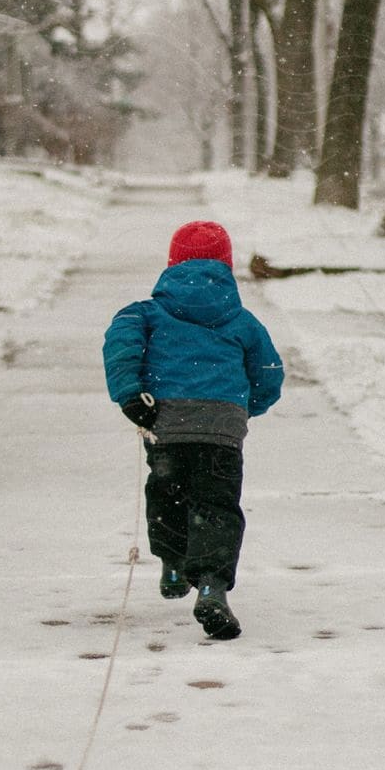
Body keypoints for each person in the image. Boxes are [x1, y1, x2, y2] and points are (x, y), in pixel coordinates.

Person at [102, 219, 284, 641]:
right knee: (216, 505)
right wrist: (244, 408)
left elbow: (121, 346)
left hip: (167, 422)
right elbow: (269, 373)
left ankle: (171, 562)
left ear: (172, 262)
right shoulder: (243, 321)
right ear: (226, 265)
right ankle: (211, 586)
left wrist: (132, 395)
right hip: (222, 426)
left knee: (168, 490)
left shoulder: (145, 312)